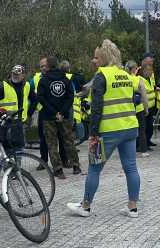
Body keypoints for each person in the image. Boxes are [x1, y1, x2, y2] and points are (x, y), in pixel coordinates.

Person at [67, 39, 140, 218]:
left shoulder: (102, 76)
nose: (93, 60)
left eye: (96, 57)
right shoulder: (125, 74)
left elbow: (97, 108)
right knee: (131, 168)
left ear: (104, 58)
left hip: (107, 131)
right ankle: (132, 207)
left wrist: (93, 133)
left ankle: (85, 206)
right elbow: (134, 97)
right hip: (130, 127)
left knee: (94, 168)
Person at [37, 56, 81, 179]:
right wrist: (62, 112)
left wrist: (53, 112)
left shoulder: (43, 80)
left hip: (48, 116)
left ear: (48, 66)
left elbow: (41, 98)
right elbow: (70, 97)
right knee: (69, 141)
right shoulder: (65, 79)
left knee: (52, 144)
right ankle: (76, 165)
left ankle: (58, 169)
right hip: (64, 116)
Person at [125, 60, 149, 157]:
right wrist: (146, 108)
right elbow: (144, 95)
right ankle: (143, 150)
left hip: (127, 109)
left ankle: (129, 151)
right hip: (139, 109)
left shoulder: (124, 79)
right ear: (134, 69)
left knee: (129, 130)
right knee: (141, 129)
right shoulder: (138, 79)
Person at [138, 63, 157, 149]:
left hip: (151, 106)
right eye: (149, 70)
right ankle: (142, 145)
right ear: (144, 71)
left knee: (149, 127)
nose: (151, 72)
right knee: (144, 128)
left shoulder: (150, 78)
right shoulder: (140, 79)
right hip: (144, 107)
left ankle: (148, 142)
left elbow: (152, 88)